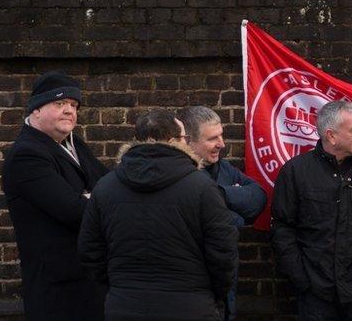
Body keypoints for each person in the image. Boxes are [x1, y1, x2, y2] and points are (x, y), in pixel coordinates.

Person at [78, 109, 238, 321]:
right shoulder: (203, 188)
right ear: (173, 140)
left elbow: (90, 252)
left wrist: (119, 288)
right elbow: (224, 254)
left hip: (124, 307)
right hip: (191, 308)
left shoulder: (105, 188)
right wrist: (211, 296)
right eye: (184, 138)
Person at [271, 100, 352, 320]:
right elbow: (282, 229)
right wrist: (301, 279)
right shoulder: (295, 172)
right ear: (331, 135)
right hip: (315, 294)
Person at [1, 71, 108, 321]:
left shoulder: (75, 145)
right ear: (36, 109)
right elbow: (75, 211)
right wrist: (89, 199)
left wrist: (90, 196)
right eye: (60, 103)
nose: (70, 110)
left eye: (73, 105)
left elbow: (109, 186)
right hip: (59, 291)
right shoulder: (27, 155)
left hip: (90, 282)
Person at [177, 106, 268, 320]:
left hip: (226, 295)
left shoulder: (222, 169)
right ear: (188, 141)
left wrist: (219, 193)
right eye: (212, 139)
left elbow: (258, 198)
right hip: (193, 296)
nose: (222, 144)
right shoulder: (178, 176)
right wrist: (233, 211)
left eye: (221, 136)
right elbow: (229, 223)